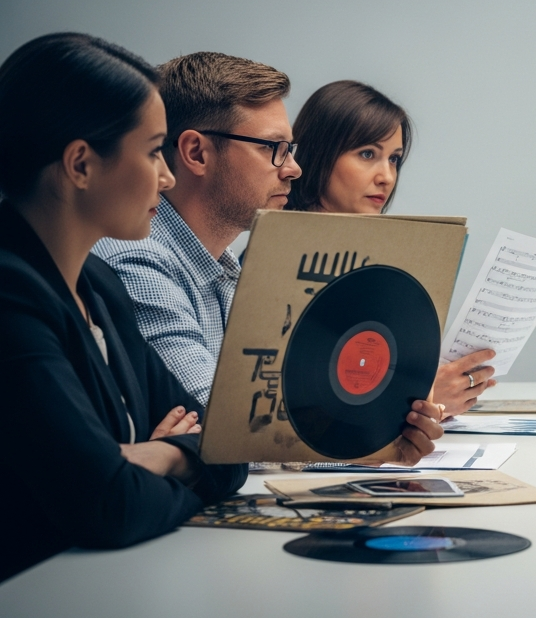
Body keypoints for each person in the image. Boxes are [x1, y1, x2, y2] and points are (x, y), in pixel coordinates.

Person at [94, 55, 443, 464]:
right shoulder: (139, 259)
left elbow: (267, 420)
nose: (294, 169)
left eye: (290, 149)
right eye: (274, 149)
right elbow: (237, 432)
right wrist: (362, 446)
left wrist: (378, 440)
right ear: (196, 153)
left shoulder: (224, 263)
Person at [0, 33, 247, 579]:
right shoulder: (10, 298)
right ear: (81, 165)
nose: (167, 176)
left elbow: (227, 442)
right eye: (155, 150)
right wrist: (173, 469)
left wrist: (155, 456)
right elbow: (109, 505)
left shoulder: (99, 283)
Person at [287, 80, 496, 418]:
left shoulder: (374, 258)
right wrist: (425, 398)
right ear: (317, 154)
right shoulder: (279, 256)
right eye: (367, 154)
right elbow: (297, 404)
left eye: (394, 159)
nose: (387, 176)